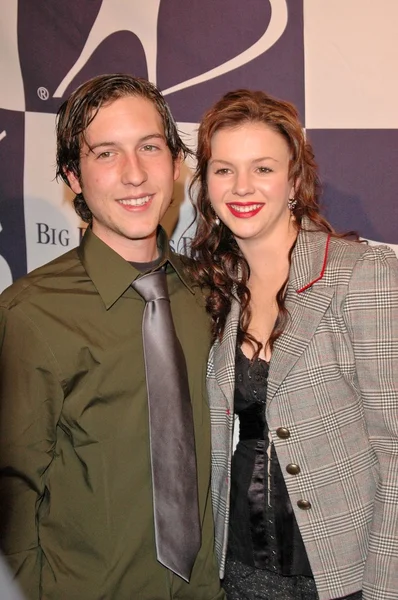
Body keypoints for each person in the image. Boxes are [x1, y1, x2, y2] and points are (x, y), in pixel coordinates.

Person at [0, 74, 224, 600]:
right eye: (106, 153)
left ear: (175, 162)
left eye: (149, 147)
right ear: (73, 177)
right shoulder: (29, 315)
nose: (134, 174)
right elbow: (11, 500)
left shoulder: (211, 296)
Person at [188, 89, 398, 600]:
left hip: (339, 572)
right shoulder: (213, 288)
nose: (241, 187)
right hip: (237, 565)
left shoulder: (361, 276)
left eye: (262, 168)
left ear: (294, 180)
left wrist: (383, 588)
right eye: (224, 170)